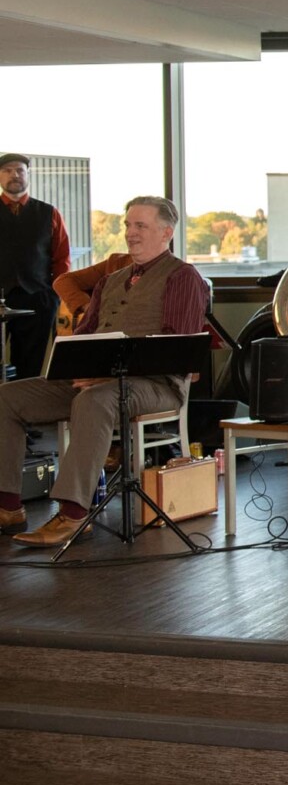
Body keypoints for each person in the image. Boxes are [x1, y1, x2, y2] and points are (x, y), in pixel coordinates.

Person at [1, 196, 207, 544]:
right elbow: (83, 335)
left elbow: (175, 350)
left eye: (140, 225)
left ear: (166, 232)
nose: (131, 233)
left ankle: (73, 514)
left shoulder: (183, 277)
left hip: (156, 385)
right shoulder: (111, 280)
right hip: (95, 380)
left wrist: (107, 374)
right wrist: (75, 364)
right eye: (128, 225)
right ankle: (8, 507)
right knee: (7, 397)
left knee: (95, 400)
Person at [1, 152, 70, 381]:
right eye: (8, 170)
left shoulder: (49, 213)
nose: (14, 175)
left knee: (30, 368)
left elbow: (62, 258)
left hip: (38, 299)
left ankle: (23, 414)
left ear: (28, 175)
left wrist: (55, 294)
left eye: (20, 170)